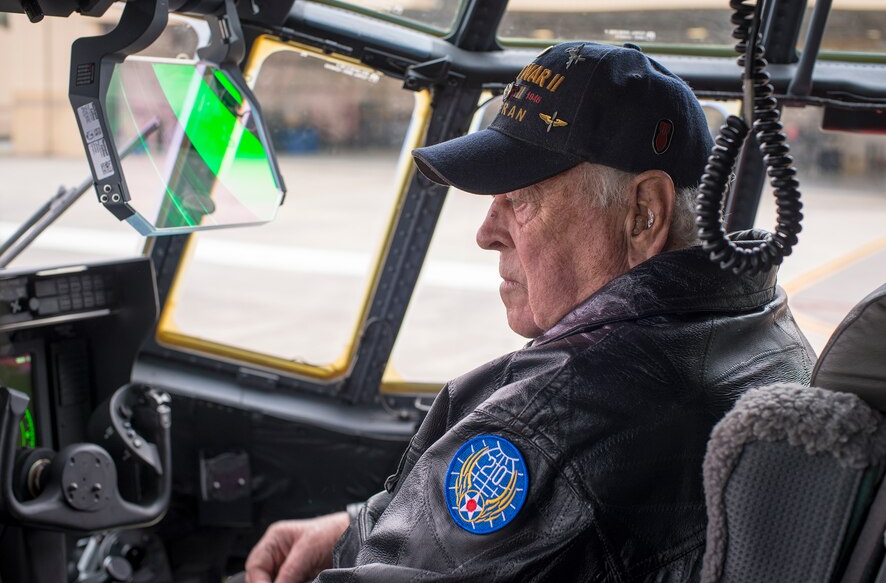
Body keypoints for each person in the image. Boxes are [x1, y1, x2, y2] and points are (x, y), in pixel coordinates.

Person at [239, 41, 815, 583]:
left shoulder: (553, 423)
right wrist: (349, 531)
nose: (487, 233)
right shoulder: (760, 321)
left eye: (519, 200)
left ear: (644, 212)